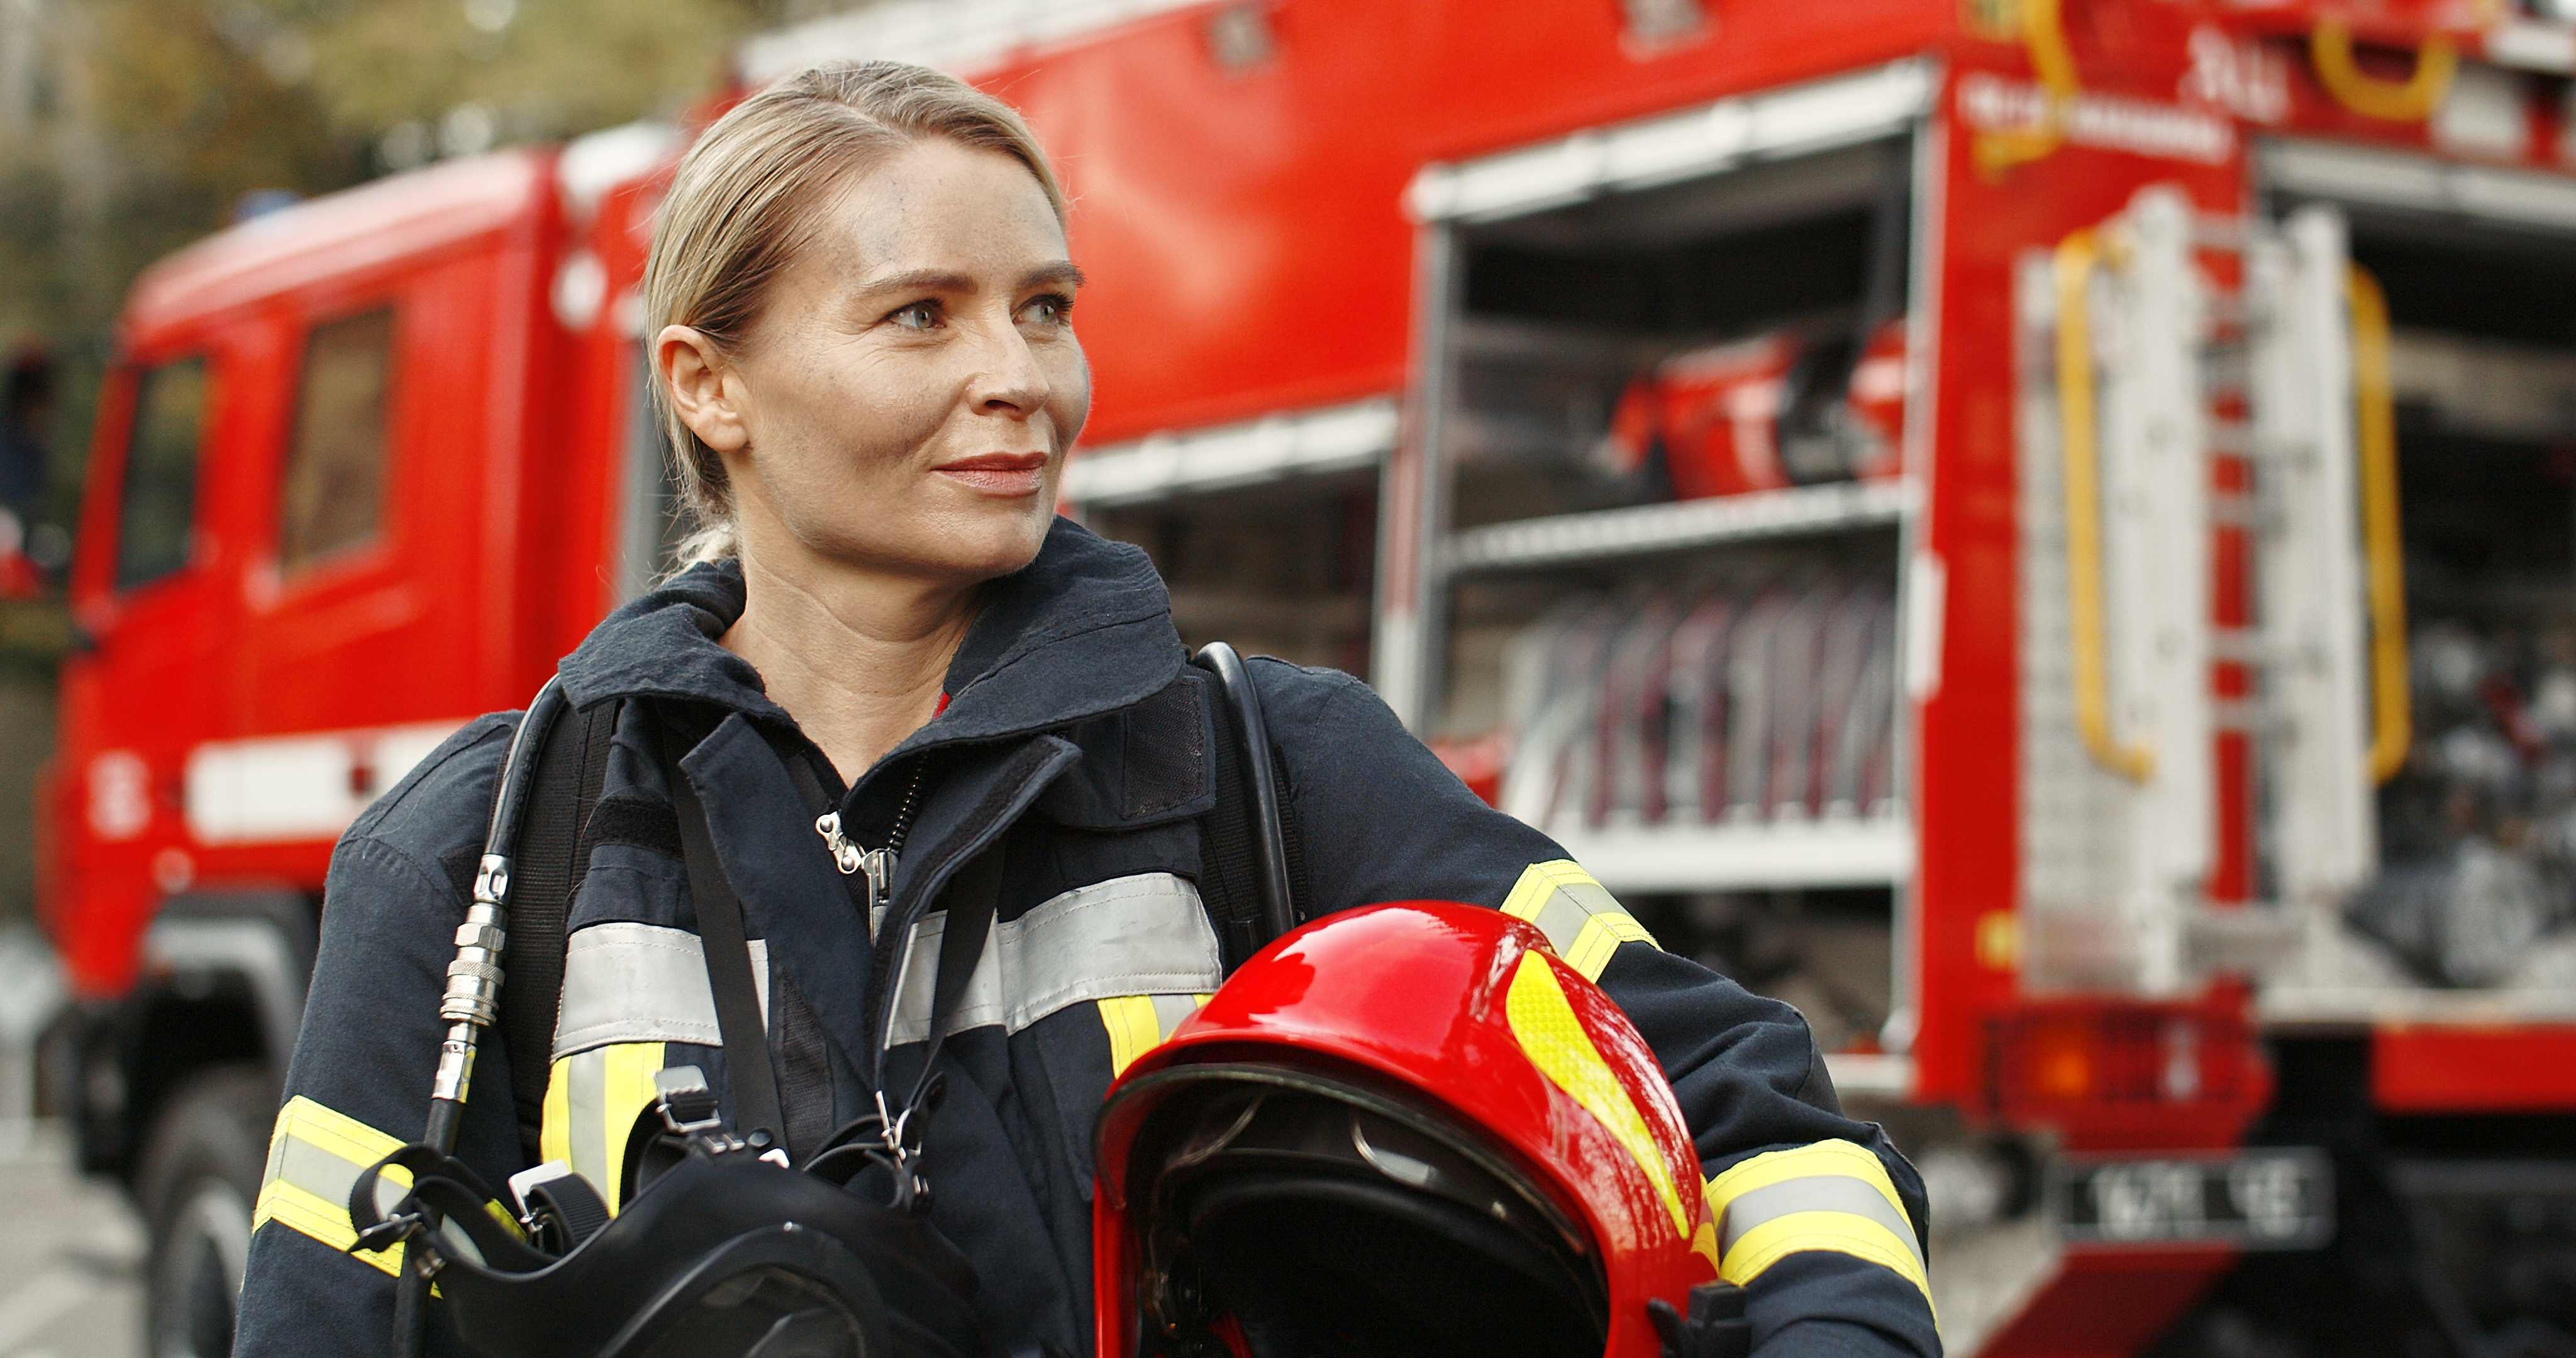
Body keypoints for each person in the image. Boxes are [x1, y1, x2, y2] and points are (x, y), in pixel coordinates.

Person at [234, 62, 1939, 1358]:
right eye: (923, 315)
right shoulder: (479, 854)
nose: (1023, 379)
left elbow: (1743, 1108)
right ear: (710, 386)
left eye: (1046, 310)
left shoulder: (1271, 768)